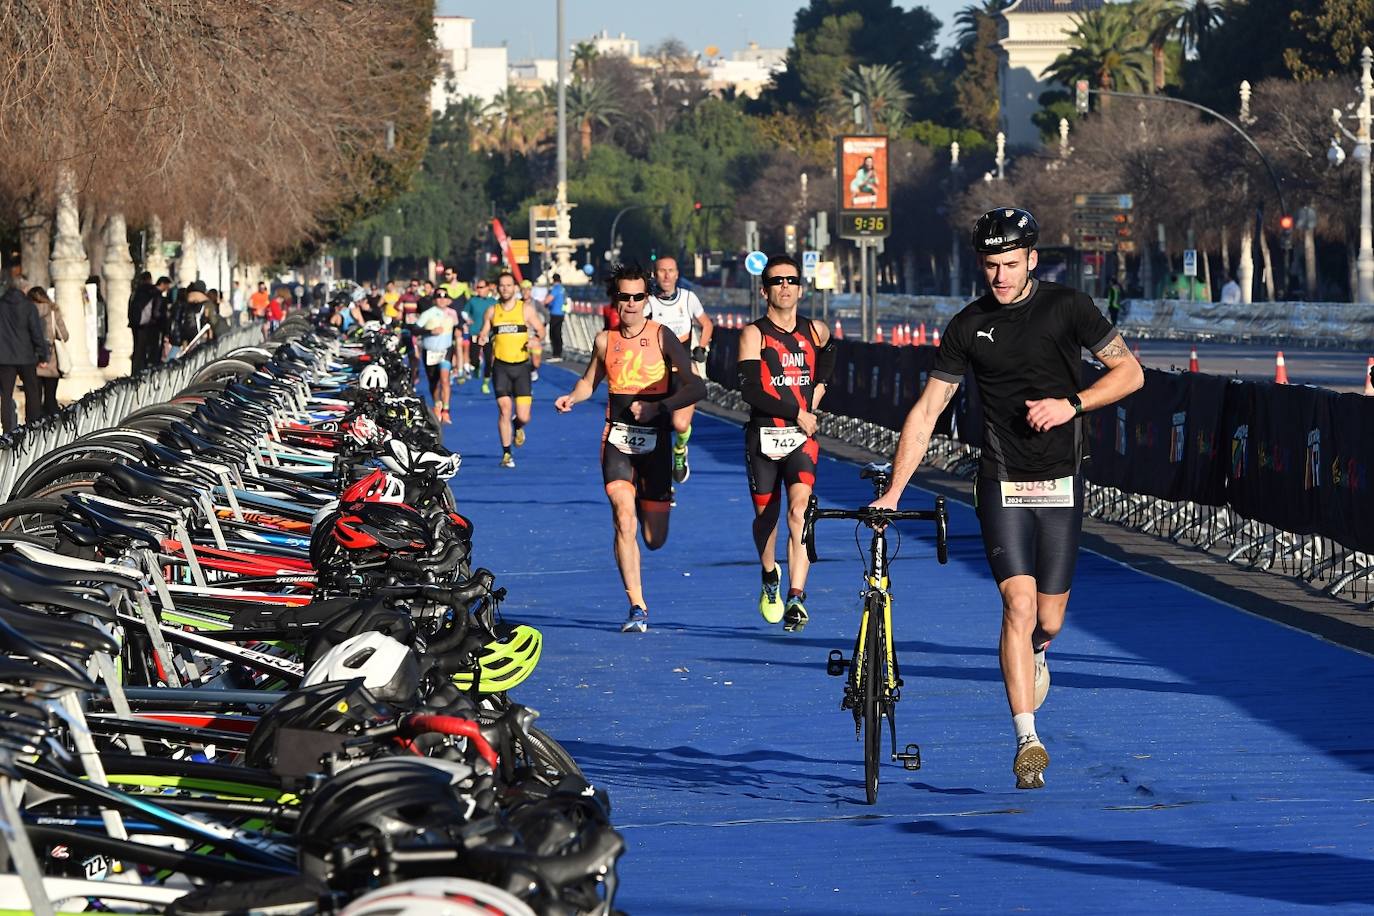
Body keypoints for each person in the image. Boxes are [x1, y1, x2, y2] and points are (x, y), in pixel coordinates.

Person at [870, 207, 1143, 790]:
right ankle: (1027, 737)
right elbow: (927, 411)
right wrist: (894, 491)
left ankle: (1039, 651)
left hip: (1061, 481)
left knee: (1048, 618)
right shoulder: (967, 326)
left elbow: (1130, 374)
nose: (1000, 276)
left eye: (1010, 265)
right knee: (1016, 606)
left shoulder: (1069, 307)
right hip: (1000, 483)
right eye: (991, 266)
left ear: (1031, 260)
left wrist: (1071, 404)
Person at [554, 263, 705, 633]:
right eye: (625, 297)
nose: (632, 304)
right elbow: (590, 381)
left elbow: (696, 388)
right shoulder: (605, 340)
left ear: (647, 299)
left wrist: (659, 406)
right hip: (617, 440)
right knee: (624, 516)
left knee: (654, 539)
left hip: (656, 443)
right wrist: (573, 396)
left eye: (639, 296)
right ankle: (637, 605)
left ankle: (655, 496)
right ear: (615, 299)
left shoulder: (662, 336)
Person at [738, 254, 834, 633]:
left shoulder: (815, 331)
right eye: (777, 281)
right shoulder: (753, 334)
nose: (785, 287)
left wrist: (819, 389)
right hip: (763, 437)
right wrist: (796, 411)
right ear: (764, 290)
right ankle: (769, 574)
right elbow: (749, 391)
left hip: (801, 441)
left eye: (791, 280)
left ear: (800, 287)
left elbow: (829, 354)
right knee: (768, 519)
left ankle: (797, 596)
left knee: (800, 512)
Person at [648, 256, 714, 484]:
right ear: (655, 275)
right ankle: (664, 485)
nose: (666, 275)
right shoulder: (648, 302)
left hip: (685, 372)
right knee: (658, 430)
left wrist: (702, 347)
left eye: (671, 271)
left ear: (677, 274)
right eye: (662, 271)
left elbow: (706, 323)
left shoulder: (688, 298)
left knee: (679, 424)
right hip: (657, 373)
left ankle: (680, 450)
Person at [476, 272, 545, 468]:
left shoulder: (526, 310)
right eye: (502, 285)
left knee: (524, 416)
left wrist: (536, 339)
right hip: (501, 367)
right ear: (497, 288)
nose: (505, 289)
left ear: (515, 288)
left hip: (522, 367)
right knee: (504, 410)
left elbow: (541, 330)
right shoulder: (492, 311)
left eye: (509, 285)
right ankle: (506, 454)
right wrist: (481, 339)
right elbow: (484, 332)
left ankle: (518, 426)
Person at [0, 283, 48, 432]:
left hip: (5, 357)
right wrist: (42, 355)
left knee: (6, 395)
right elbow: (36, 332)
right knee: (32, 391)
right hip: (26, 356)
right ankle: (32, 425)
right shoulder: (28, 307)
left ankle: (7, 428)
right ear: (23, 290)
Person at [416, 289, 459, 423]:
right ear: (434, 299)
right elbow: (415, 329)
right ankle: (437, 404)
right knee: (433, 381)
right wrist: (430, 331)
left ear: (448, 300)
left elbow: (458, 328)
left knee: (445, 379)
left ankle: (446, 410)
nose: (442, 299)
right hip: (430, 351)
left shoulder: (452, 314)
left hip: (446, 350)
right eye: (438, 297)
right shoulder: (427, 314)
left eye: (445, 297)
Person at [28, 287, 67, 417]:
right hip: (51, 361)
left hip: (32, 360)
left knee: (34, 400)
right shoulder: (52, 312)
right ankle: (55, 429)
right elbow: (64, 335)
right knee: (50, 398)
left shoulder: (27, 312)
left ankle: (34, 430)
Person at [129, 272, 170, 372]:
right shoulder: (155, 293)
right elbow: (156, 313)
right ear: (163, 284)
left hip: (136, 324)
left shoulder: (136, 292)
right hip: (151, 326)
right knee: (151, 351)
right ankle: (148, 372)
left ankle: (135, 372)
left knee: (138, 350)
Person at [463, 278, 498, 393]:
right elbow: (464, 312)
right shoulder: (473, 301)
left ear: (488, 288)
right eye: (477, 287)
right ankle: (476, 366)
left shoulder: (493, 302)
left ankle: (486, 383)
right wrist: (467, 319)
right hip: (475, 332)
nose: (479, 290)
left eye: (481, 287)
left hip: (489, 334)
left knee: (489, 360)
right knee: (474, 358)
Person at [521, 280, 543, 381]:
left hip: (534, 336)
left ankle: (532, 369)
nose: (525, 292)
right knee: (522, 361)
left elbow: (546, 315)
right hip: (522, 336)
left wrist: (540, 328)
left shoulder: (536, 304)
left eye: (528, 290)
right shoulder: (517, 304)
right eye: (523, 290)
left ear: (531, 291)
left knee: (536, 363)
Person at [543, 273, 567, 361]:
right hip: (561, 313)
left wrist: (541, 303)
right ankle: (559, 353)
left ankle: (556, 354)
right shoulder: (563, 289)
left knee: (553, 333)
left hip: (555, 313)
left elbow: (548, 300)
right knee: (558, 333)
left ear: (553, 280)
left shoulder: (555, 289)